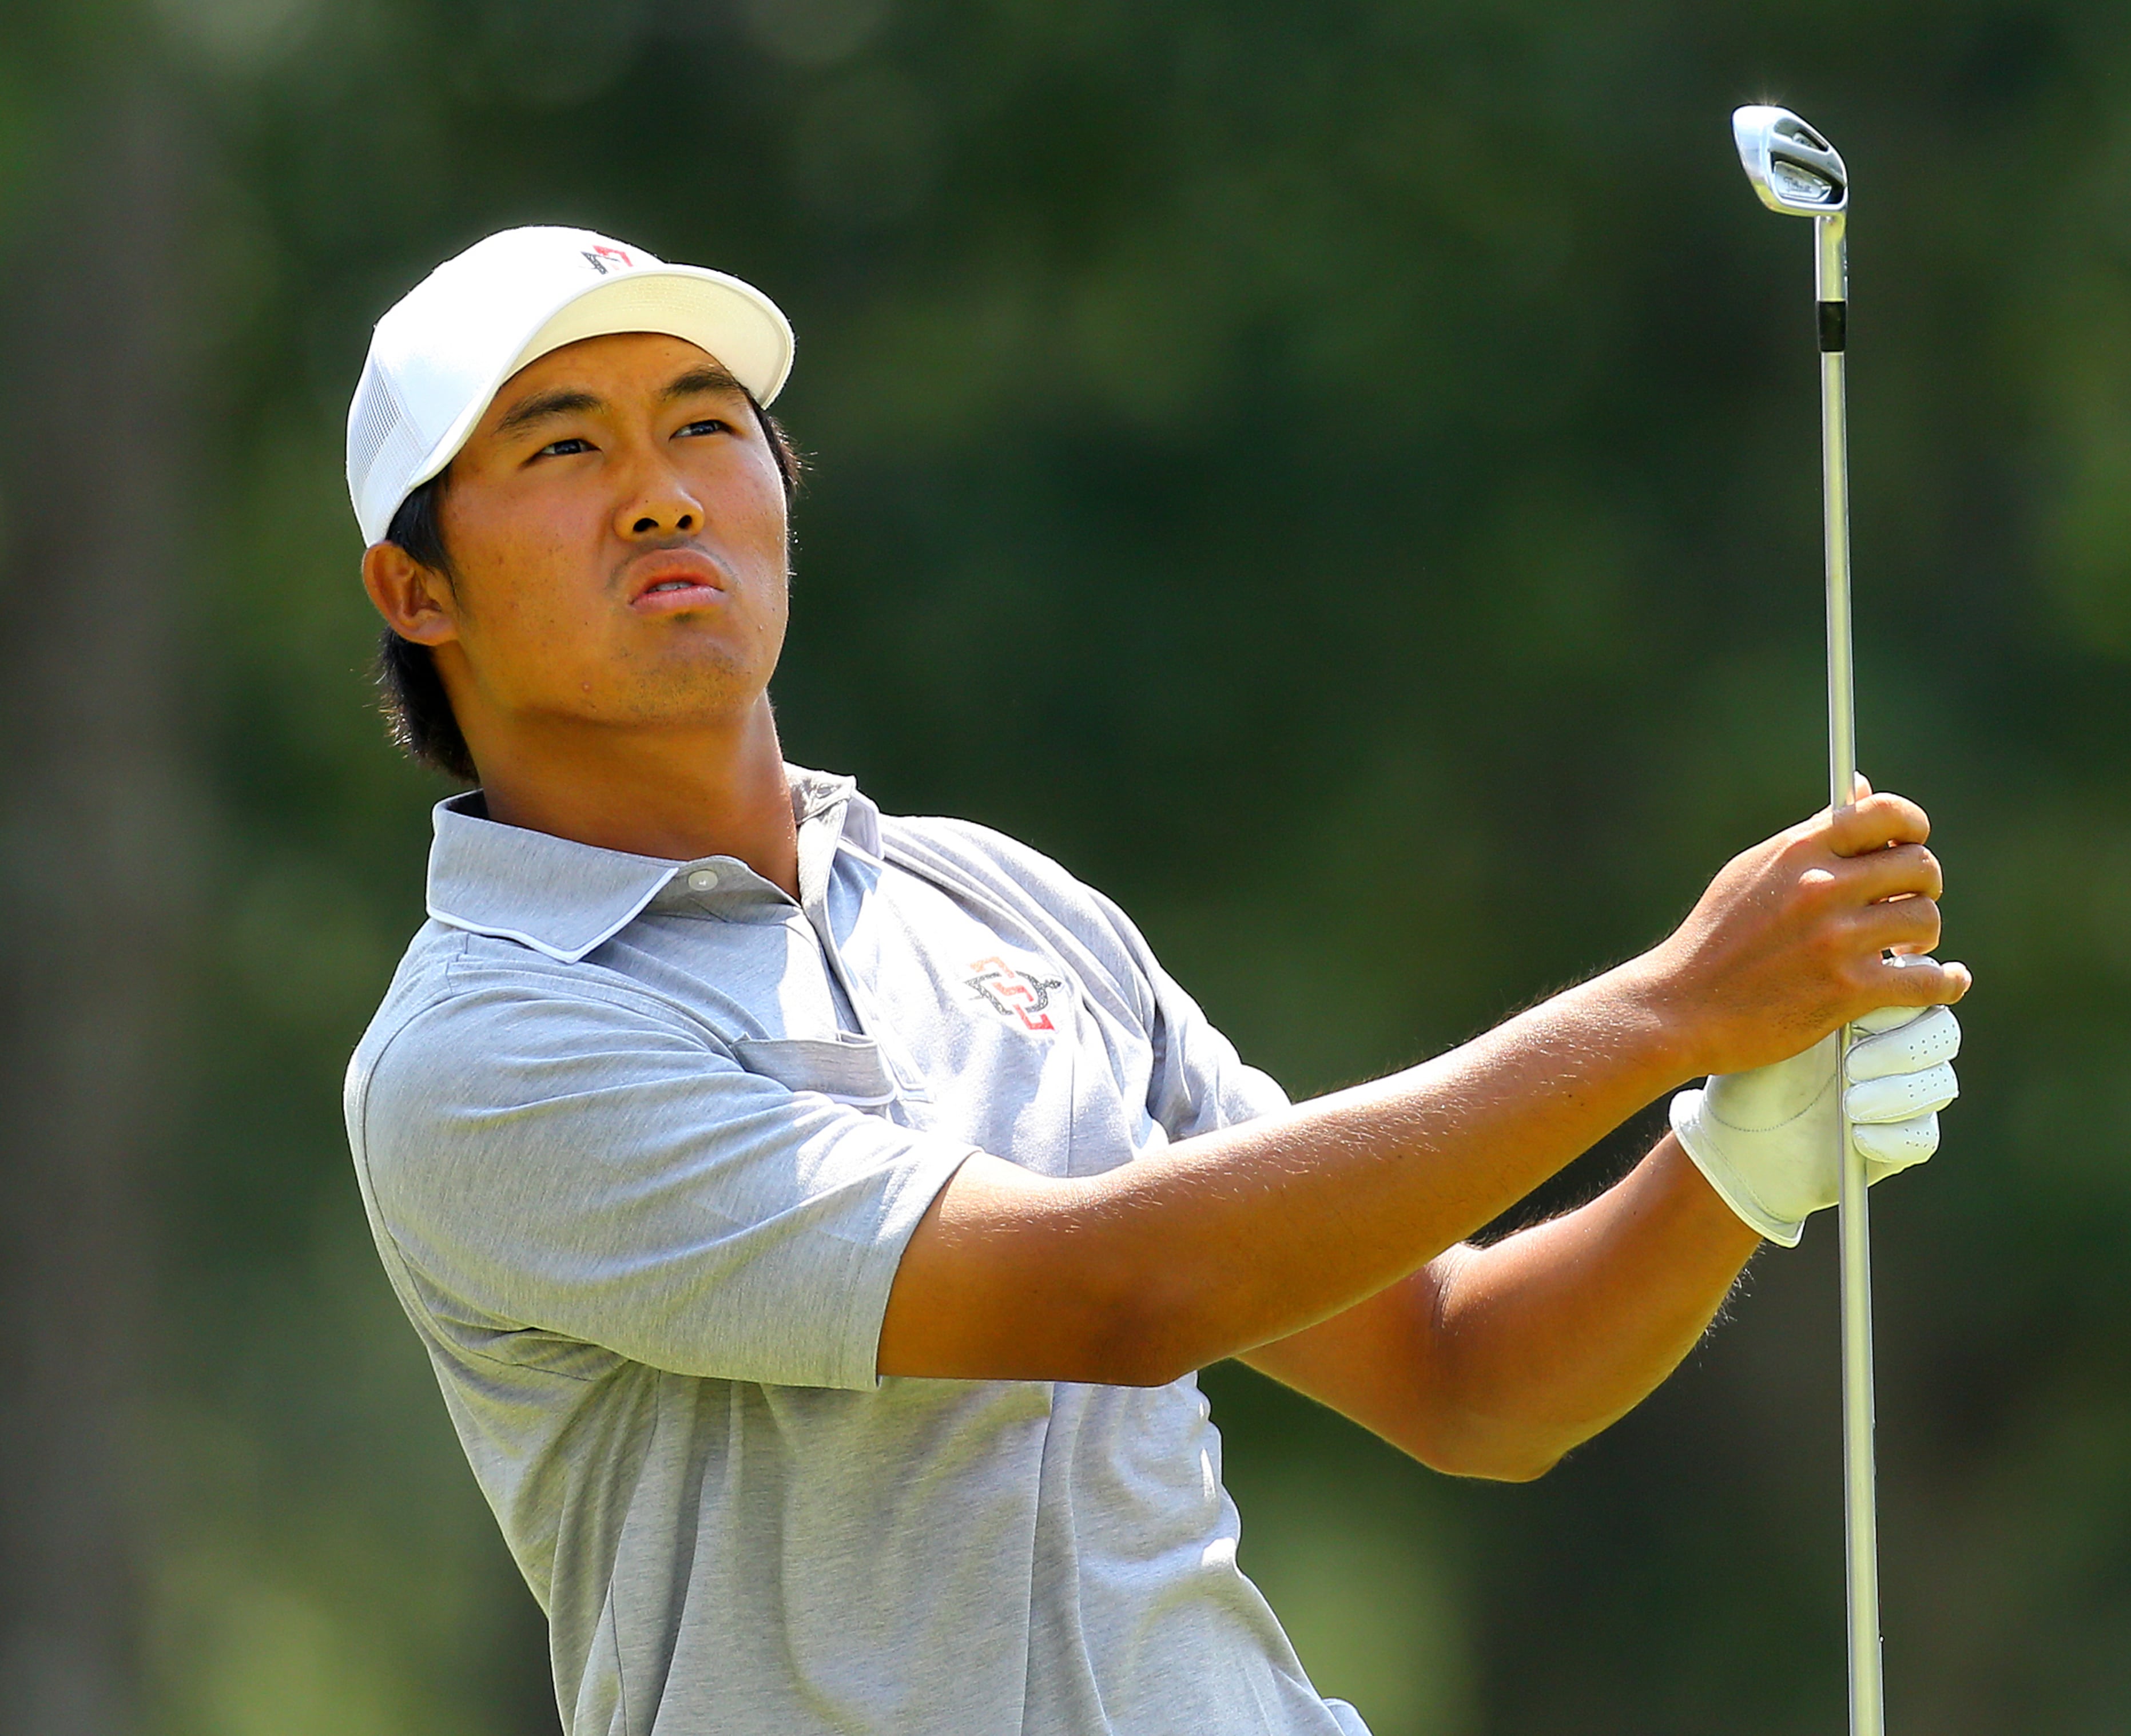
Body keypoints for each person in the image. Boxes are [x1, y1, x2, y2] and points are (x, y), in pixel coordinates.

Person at [343, 227, 1968, 1736]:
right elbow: (1114, 1295)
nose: (661, 494)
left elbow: (1466, 1371)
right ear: (417, 590)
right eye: (564, 447)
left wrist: (1730, 1158)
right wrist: (1668, 1006)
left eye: (706, 426)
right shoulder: (487, 1046)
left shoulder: (1000, 901)